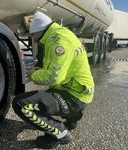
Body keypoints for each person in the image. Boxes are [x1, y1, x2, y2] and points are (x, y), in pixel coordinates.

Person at [12, 11, 94, 149]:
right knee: (46, 97)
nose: (33, 38)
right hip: (77, 90)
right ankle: (73, 117)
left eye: (32, 34)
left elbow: (53, 77)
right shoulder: (58, 34)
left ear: (38, 31)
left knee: (21, 104)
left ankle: (60, 132)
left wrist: (32, 74)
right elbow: (56, 68)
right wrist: (39, 70)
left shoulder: (58, 42)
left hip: (74, 96)